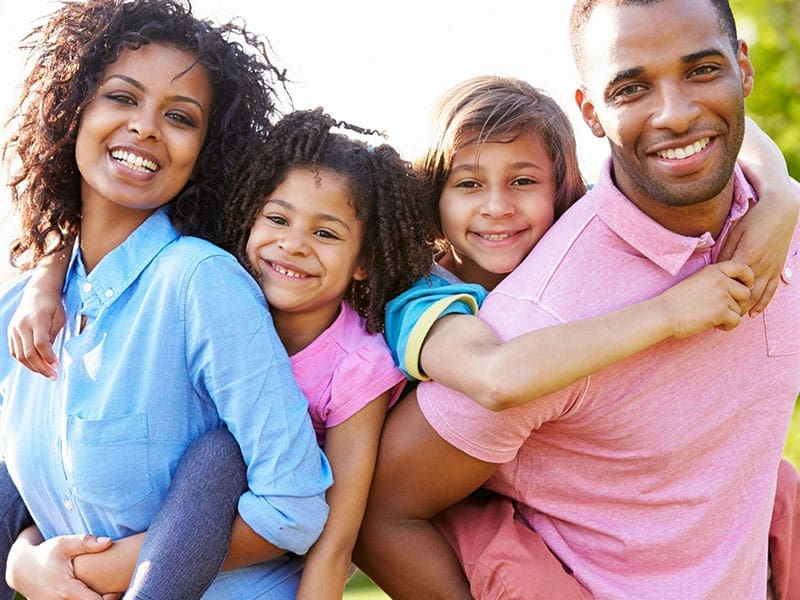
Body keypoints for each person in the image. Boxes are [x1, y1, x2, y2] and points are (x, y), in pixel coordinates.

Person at [353, 1, 800, 597]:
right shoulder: (532, 322)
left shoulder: (778, 229)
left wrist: (785, 197)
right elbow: (382, 512)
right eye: (633, 86)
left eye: (700, 70)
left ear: (743, 69)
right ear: (592, 111)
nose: (675, 113)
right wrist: (667, 314)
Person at [4, 106, 433, 598]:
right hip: (158, 516)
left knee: (219, 453)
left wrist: (104, 570)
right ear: (248, 220)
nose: (292, 245)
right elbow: (85, 231)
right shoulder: (208, 293)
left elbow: (334, 542)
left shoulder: (356, 365)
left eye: (325, 233)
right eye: (277, 218)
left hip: (238, 533)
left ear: (364, 262)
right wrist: (46, 277)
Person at [0, 1, 332, 598]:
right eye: (122, 98)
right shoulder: (22, 307)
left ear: (206, 149)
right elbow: (28, 494)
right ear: (73, 111)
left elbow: (294, 507)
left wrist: (81, 571)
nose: (146, 127)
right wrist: (23, 560)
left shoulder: (200, 282)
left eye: (179, 116)